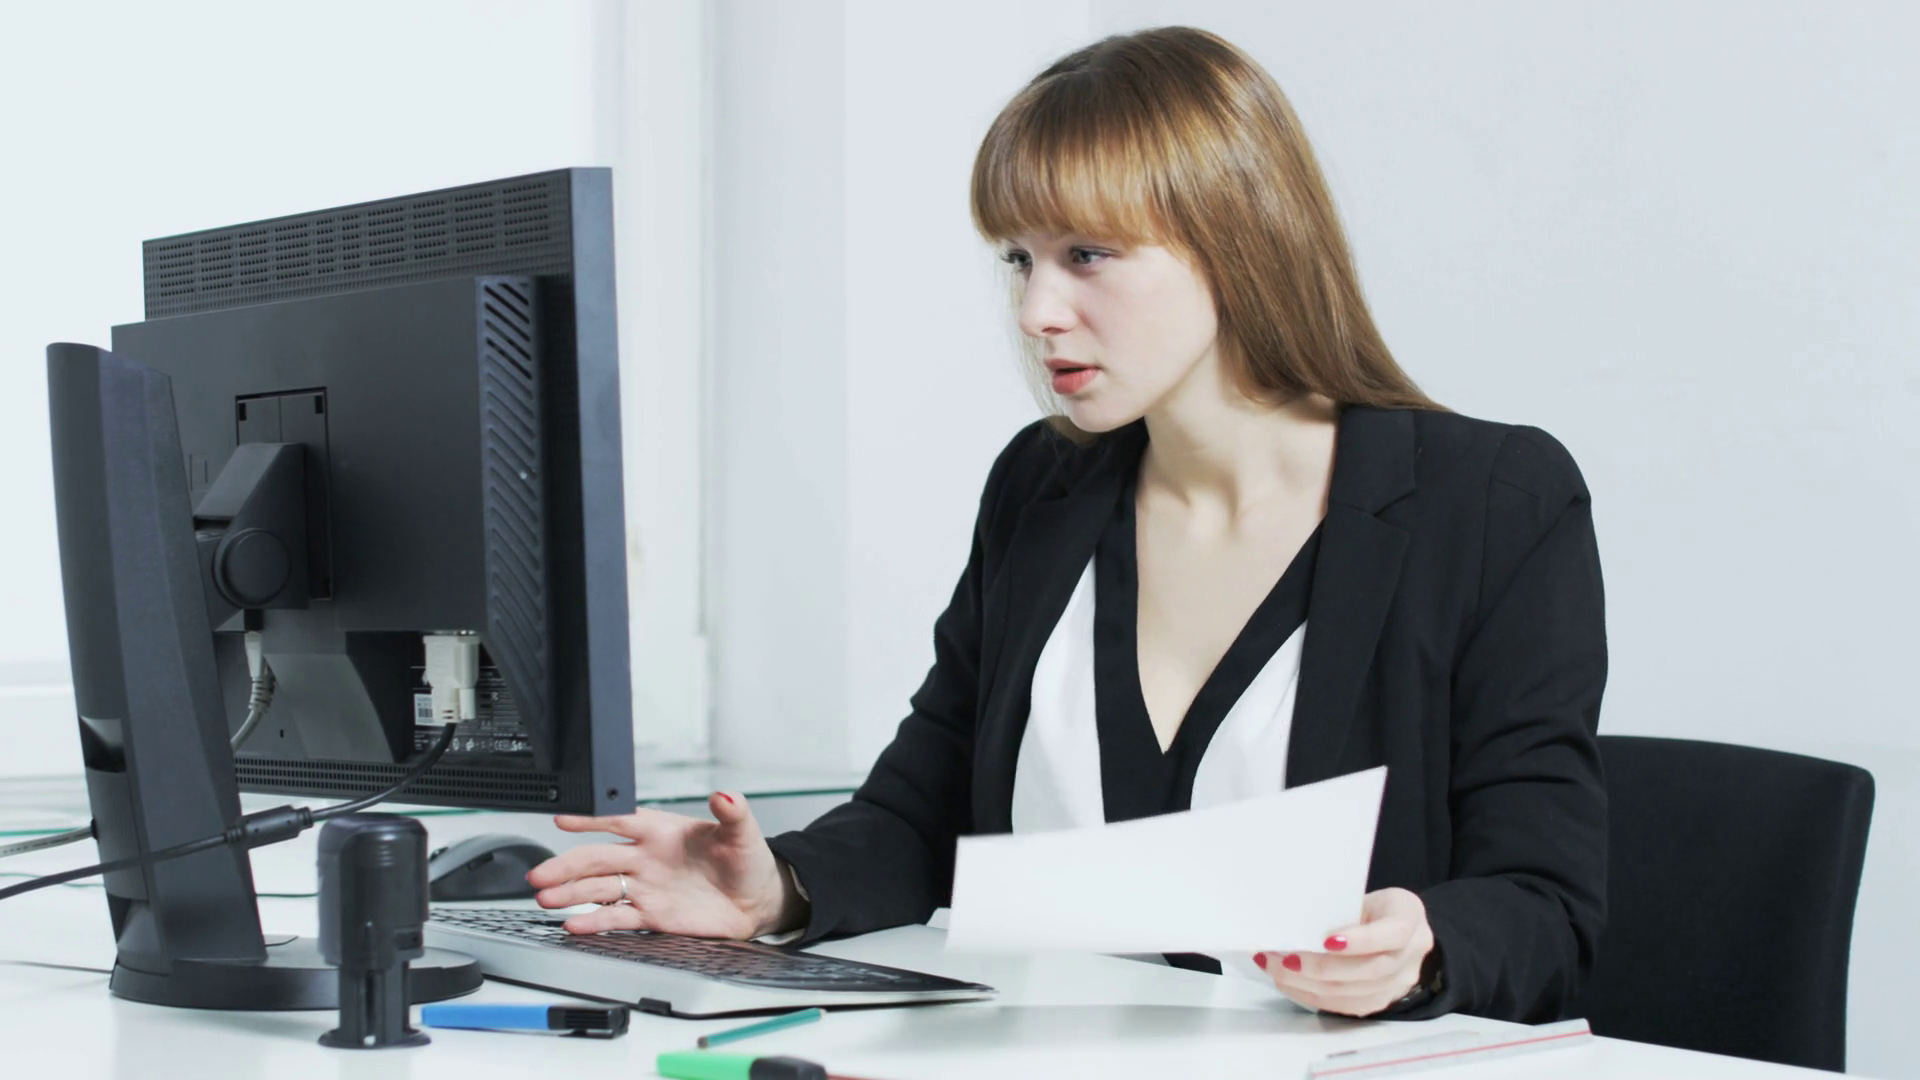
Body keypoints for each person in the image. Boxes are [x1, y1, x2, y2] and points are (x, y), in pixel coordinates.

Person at [526, 25, 1607, 1024]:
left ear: (1238, 240)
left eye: (1087, 254)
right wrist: (778, 888)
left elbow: (1548, 908)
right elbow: (925, 810)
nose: (1038, 311)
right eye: (1018, 259)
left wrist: (1423, 943)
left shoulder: (1492, 502)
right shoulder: (1045, 487)